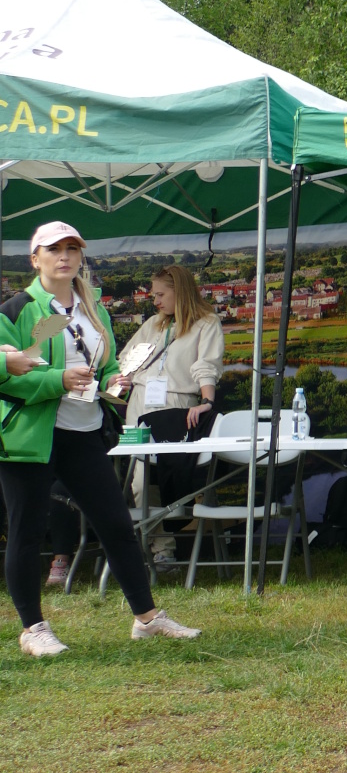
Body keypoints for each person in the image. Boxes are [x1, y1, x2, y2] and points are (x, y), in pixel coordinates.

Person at [1, 222, 202, 657]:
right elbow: (5, 374)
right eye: (54, 249)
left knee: (117, 526)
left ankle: (147, 618)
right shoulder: (16, 311)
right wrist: (58, 380)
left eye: (72, 248)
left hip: (86, 432)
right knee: (27, 532)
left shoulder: (95, 311)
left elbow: (107, 365)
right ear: (35, 259)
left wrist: (114, 382)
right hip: (30, 438)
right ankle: (33, 629)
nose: (64, 256)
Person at [123, 264, 224, 570]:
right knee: (140, 481)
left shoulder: (206, 323)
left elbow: (206, 366)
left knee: (178, 476)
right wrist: (122, 377)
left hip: (177, 408)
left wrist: (207, 401)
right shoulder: (152, 324)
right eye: (153, 295)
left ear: (180, 292)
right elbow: (127, 359)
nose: (154, 301)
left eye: (160, 294)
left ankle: (180, 543)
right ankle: (161, 548)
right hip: (140, 407)